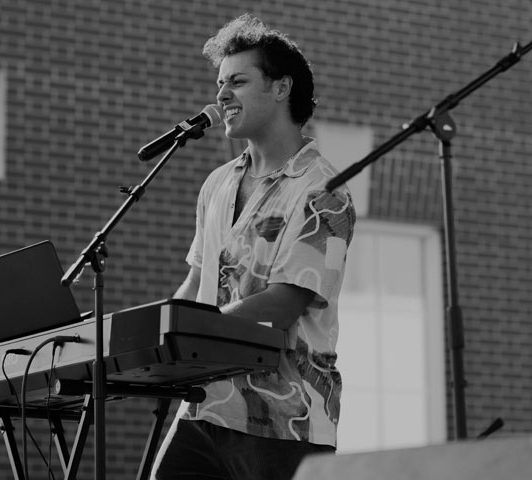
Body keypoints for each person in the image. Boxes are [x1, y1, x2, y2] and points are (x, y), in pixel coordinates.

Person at [151, 13, 356, 480]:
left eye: (238, 82)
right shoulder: (218, 183)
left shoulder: (324, 191)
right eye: (220, 83)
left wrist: (189, 331)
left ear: (281, 88)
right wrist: (154, 336)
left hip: (284, 421)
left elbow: (283, 303)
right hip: (203, 405)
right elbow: (197, 282)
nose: (221, 95)